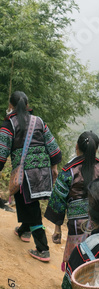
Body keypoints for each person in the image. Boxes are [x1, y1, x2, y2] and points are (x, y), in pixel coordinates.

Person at [0, 91, 62, 262]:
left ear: (11, 106)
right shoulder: (39, 121)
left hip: (24, 172)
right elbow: (53, 147)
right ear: (27, 105)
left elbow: (2, 152)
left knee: (31, 207)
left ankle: (43, 249)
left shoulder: (8, 124)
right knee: (24, 199)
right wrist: (54, 167)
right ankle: (24, 230)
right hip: (42, 170)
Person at [44, 131, 99, 270]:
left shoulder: (69, 171)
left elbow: (58, 201)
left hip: (76, 225)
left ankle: (73, 281)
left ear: (76, 147)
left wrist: (57, 229)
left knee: (77, 258)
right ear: (96, 150)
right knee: (97, 257)